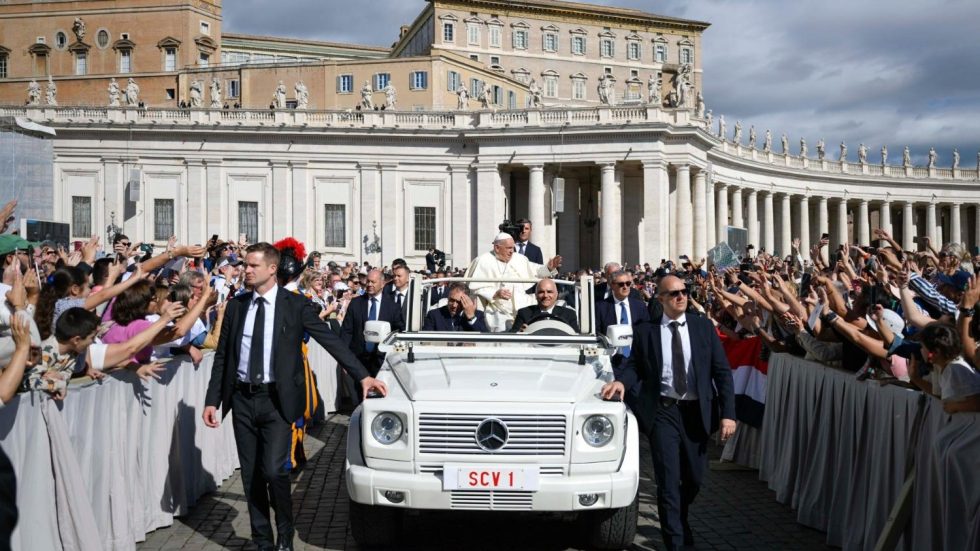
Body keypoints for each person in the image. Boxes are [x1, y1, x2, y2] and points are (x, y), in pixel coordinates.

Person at [203, 243, 386, 551]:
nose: (245, 269)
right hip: (243, 400)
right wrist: (213, 400)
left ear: (272, 269)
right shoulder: (236, 306)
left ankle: (285, 532)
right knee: (251, 477)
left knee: (274, 471)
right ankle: (264, 541)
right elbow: (223, 357)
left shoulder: (294, 305)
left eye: (252, 265)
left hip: (277, 401)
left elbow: (329, 339)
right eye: (245, 265)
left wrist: (363, 375)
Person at [601, 275, 735, 551]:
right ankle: (675, 542)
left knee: (694, 480)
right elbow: (635, 365)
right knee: (668, 481)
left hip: (697, 413)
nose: (681, 297)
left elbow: (722, 372)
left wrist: (728, 414)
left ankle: (679, 520)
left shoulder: (702, 328)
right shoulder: (647, 330)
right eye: (673, 293)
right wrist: (621, 382)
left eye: (684, 292)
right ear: (660, 298)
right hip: (664, 413)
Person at [465, 233, 561, 331]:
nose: (512, 251)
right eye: (508, 248)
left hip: (521, 302)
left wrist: (549, 268)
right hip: (497, 306)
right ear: (497, 248)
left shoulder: (519, 258)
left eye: (513, 248)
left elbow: (535, 270)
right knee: (500, 326)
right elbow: (474, 287)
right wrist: (495, 293)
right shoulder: (483, 261)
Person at [341, 269, 405, 377]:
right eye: (368, 281)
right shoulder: (356, 303)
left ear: (382, 284)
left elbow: (399, 332)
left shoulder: (392, 306)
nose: (369, 284)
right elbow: (346, 332)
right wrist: (344, 359)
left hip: (382, 361)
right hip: (358, 360)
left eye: (373, 282)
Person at [596, 270, 651, 363]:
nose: (625, 287)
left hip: (636, 360)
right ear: (612, 285)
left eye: (628, 283)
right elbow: (597, 332)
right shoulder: (601, 307)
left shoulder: (639, 306)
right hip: (610, 359)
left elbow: (647, 331)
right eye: (621, 284)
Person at [509, 278, 579, 332]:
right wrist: (519, 333)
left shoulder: (569, 314)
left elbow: (576, 339)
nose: (545, 295)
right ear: (536, 295)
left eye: (549, 292)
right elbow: (511, 337)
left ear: (556, 294)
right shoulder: (524, 313)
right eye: (541, 292)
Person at [422, 283, 488, 332]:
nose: (454, 305)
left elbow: (485, 339)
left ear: (467, 300)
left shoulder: (478, 315)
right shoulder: (434, 315)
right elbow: (425, 341)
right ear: (448, 297)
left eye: (459, 302)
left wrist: (471, 318)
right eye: (451, 300)